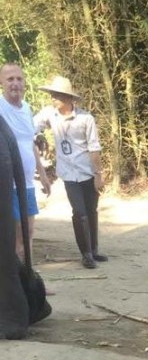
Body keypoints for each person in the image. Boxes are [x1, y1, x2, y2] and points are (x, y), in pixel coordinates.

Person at [34, 76, 106, 269]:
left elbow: (94, 148)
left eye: (56, 95)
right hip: (68, 173)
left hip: (88, 172)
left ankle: (95, 249)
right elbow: (31, 126)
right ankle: (86, 253)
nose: (53, 99)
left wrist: (98, 175)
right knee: (79, 212)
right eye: (52, 95)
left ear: (68, 98)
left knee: (91, 211)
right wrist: (37, 135)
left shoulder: (85, 119)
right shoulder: (50, 114)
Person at [0, 62, 51, 258]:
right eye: (10, 79)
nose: (15, 83)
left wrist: (43, 175)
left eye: (19, 79)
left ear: (24, 82)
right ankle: (15, 283)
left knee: (29, 232)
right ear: (1, 82)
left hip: (27, 183)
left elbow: (30, 143)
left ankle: (29, 282)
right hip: (7, 184)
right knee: (15, 235)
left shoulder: (27, 109)